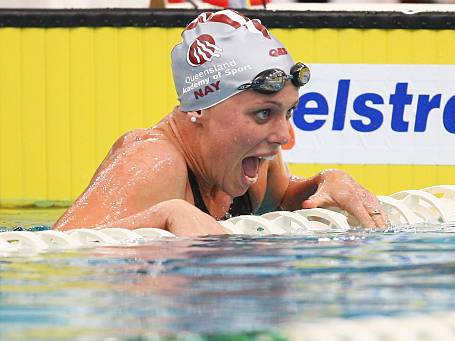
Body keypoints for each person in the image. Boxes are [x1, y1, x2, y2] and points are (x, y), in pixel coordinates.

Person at [54, 9, 388, 236]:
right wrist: (161, 216)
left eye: (288, 113)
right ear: (200, 109)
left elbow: (284, 197)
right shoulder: (153, 162)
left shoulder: (253, 166)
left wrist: (323, 183)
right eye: (263, 113)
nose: (284, 136)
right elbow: (55, 257)